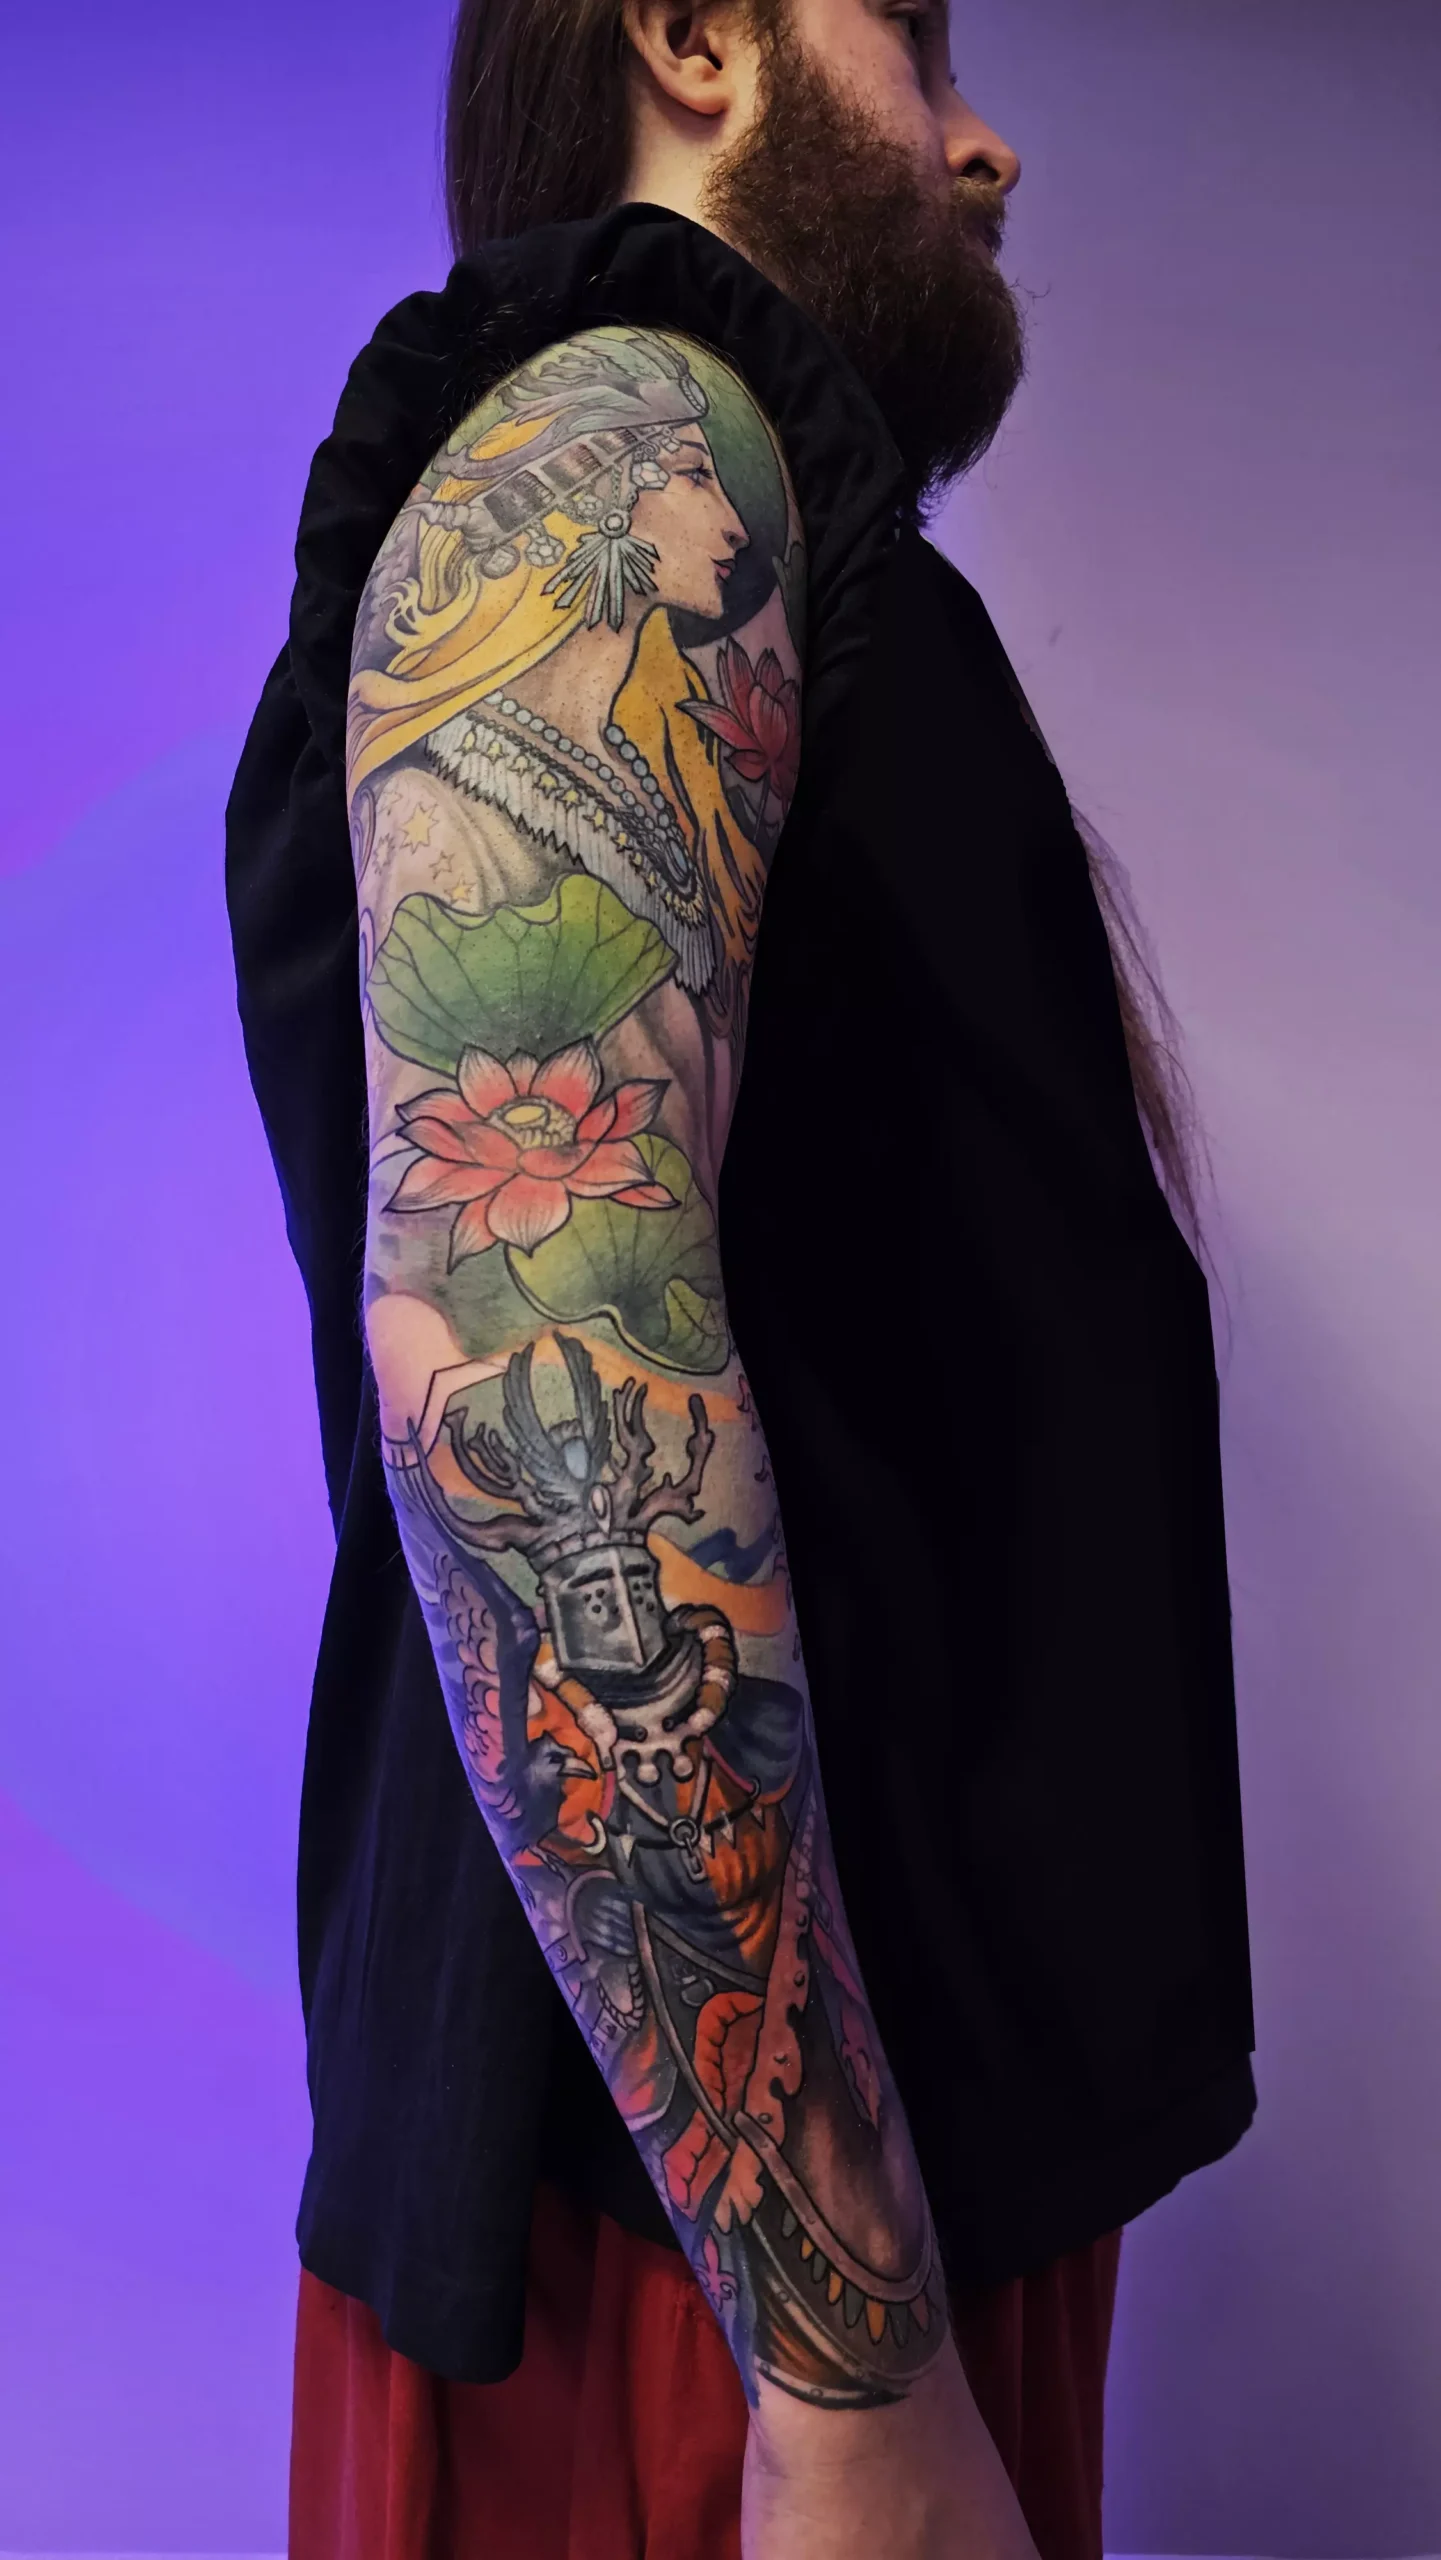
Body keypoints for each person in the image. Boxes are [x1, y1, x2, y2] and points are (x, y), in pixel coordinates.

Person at [226, 0, 1256, 2553]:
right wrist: (846, 2368)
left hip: (807, 2201)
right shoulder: (619, 449)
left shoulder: (755, 529)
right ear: (692, 33)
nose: (983, 141)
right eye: (911, 36)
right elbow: (532, 1328)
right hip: (697, 2290)